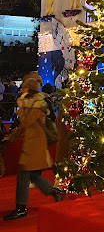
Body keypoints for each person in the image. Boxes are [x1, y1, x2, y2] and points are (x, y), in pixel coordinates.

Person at [2, 76, 64, 221]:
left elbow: (26, 123)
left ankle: (21, 208)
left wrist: (21, 107)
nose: (21, 89)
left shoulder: (37, 104)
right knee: (33, 177)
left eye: (23, 87)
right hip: (31, 144)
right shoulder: (30, 103)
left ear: (29, 89)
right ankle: (55, 192)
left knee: (23, 177)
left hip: (35, 146)